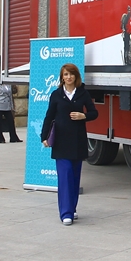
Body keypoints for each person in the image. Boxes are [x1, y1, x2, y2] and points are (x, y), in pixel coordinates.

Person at [40, 63, 98, 225]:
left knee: (74, 177)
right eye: (66, 74)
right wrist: (44, 136)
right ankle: (65, 212)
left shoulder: (83, 94)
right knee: (64, 177)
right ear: (62, 77)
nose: (69, 77)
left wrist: (83, 116)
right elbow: (49, 116)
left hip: (78, 141)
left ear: (76, 76)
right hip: (61, 142)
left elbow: (94, 113)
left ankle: (72, 208)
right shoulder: (56, 95)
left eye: (71, 74)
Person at [0, 79, 21, 144]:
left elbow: (10, 97)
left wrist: (12, 107)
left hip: (7, 106)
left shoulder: (9, 85)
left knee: (11, 121)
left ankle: (13, 138)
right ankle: (0, 139)